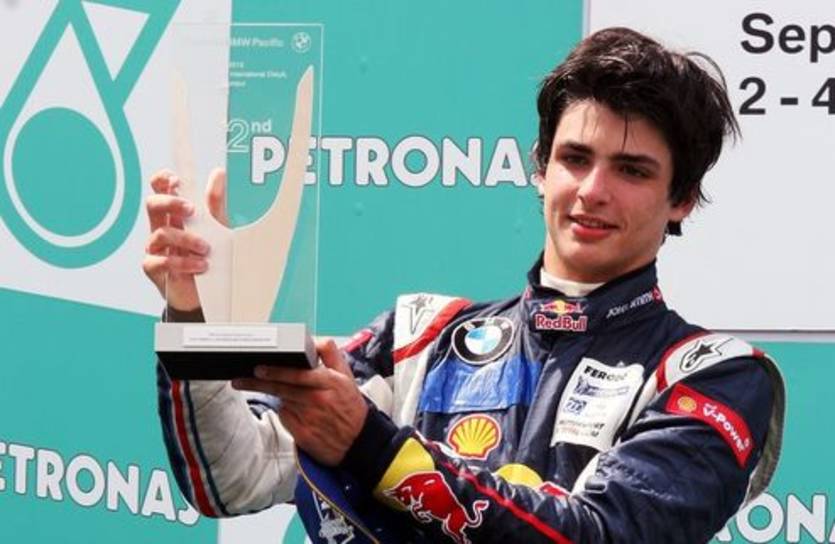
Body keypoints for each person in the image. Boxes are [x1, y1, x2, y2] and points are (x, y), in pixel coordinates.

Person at [143, 27, 785, 543]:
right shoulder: (420, 338)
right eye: (575, 158)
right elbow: (232, 477)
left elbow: (601, 534)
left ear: (683, 199)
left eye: (632, 170)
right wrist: (192, 312)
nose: (593, 191)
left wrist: (369, 445)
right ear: (540, 168)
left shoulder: (713, 376)